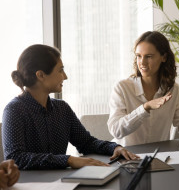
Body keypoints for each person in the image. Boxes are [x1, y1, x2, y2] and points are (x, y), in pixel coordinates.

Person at [2, 44, 137, 170]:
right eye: (60, 70)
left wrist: (114, 148)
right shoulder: (14, 110)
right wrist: (68, 160)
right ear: (41, 75)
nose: (65, 77)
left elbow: (86, 143)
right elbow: (15, 158)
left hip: (62, 182)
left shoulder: (62, 108)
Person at [107, 31, 179, 146]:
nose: (142, 62)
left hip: (159, 156)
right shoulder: (122, 88)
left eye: (149, 56)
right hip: (126, 156)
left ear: (164, 57)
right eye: (138, 56)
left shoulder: (174, 90)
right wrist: (145, 108)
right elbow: (116, 130)